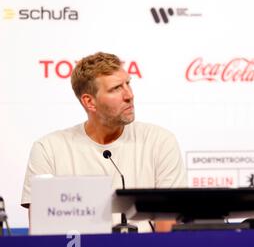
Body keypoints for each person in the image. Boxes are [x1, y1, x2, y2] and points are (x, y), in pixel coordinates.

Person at [21, 52, 187, 232]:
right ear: (89, 102)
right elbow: (43, 236)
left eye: (128, 84)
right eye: (116, 88)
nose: (129, 95)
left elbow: (168, 232)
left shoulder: (160, 141)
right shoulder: (48, 149)